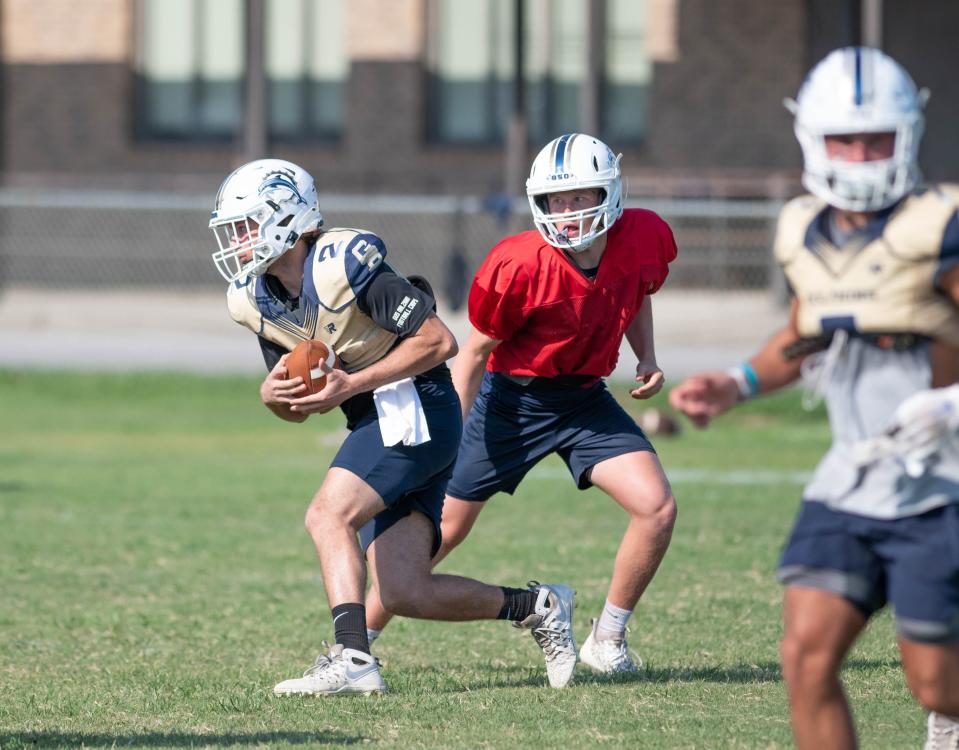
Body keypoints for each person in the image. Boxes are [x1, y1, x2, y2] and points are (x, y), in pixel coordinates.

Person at [668, 48, 959, 750]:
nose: (858, 157)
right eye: (842, 140)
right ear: (810, 140)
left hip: (942, 483)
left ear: (907, 135)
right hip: (851, 476)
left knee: (935, 687)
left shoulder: (940, 222)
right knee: (804, 656)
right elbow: (804, 333)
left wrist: (953, 406)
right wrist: (735, 383)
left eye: (874, 140)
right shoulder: (800, 228)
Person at [208, 158, 577, 694]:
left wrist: (354, 386)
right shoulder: (254, 299)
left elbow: (438, 342)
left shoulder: (344, 264)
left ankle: (353, 658)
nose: (237, 241)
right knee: (404, 591)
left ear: (287, 217)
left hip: (419, 406)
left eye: (245, 225)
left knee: (326, 515)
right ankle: (539, 607)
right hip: (380, 419)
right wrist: (273, 399)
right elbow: (300, 403)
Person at [365, 133, 679, 676]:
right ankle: (357, 644)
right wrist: (450, 429)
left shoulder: (645, 235)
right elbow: (474, 352)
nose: (568, 212)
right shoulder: (519, 262)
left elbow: (637, 288)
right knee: (444, 531)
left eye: (580, 197)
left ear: (608, 192)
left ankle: (607, 640)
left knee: (656, 508)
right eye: (557, 201)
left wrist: (646, 354)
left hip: (584, 400)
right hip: (510, 402)